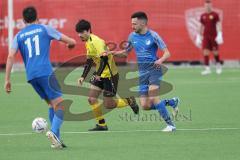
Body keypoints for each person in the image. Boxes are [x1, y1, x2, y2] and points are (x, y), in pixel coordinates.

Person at [4, 6, 76, 148]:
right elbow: (71, 41)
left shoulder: (19, 35)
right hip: (45, 72)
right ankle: (54, 132)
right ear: (37, 18)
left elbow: (11, 56)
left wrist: (7, 79)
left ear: (23, 20)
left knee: (51, 104)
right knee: (61, 105)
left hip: (31, 76)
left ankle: (57, 141)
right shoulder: (44, 28)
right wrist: (70, 45)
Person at [104, 12, 179, 132]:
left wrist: (160, 60)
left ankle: (171, 125)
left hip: (154, 69)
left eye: (134, 24)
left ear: (143, 23)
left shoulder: (154, 35)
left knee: (154, 96)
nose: (132, 26)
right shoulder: (132, 36)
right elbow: (125, 52)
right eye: (131, 24)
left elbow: (167, 53)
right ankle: (172, 102)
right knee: (145, 105)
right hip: (142, 73)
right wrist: (111, 53)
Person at [75, 19, 139, 131]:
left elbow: (104, 59)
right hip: (100, 73)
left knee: (108, 105)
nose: (79, 35)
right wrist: (82, 76)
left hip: (110, 75)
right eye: (78, 33)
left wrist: (98, 74)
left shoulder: (96, 41)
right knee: (91, 99)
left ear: (88, 30)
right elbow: (89, 61)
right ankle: (101, 124)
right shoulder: (88, 42)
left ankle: (129, 101)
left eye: (81, 32)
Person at [196, 0, 223, 75]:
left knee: (215, 52)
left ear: (211, 5)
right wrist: (198, 36)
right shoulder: (203, 15)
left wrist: (220, 34)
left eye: (209, 5)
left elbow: (218, 24)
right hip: (206, 36)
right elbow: (201, 26)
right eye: (206, 5)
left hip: (213, 36)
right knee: (205, 52)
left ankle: (218, 66)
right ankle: (207, 69)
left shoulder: (215, 15)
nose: (207, 7)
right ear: (204, 6)